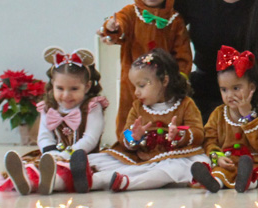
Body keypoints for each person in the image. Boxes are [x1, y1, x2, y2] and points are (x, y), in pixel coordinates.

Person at [87, 49, 206, 191]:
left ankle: (127, 183)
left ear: (164, 81)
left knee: (171, 170)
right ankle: (88, 180)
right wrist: (133, 137)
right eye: (134, 86)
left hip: (175, 158)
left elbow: (199, 133)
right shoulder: (138, 107)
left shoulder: (185, 104)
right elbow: (125, 135)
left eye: (142, 85)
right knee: (103, 160)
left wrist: (180, 135)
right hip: (141, 157)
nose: (136, 92)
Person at [98, 0, 192, 138]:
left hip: (163, 84)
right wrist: (112, 27)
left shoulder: (175, 21)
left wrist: (179, 80)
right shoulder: (130, 13)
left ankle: (160, 143)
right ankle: (128, 143)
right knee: (130, 114)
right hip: (132, 83)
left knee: (162, 117)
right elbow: (119, 24)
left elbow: (183, 54)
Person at [0, 48, 108, 195]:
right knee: (34, 164)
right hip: (53, 155)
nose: (66, 95)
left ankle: (48, 183)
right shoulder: (48, 107)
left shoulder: (92, 107)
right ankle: (25, 181)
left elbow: (90, 139)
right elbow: (44, 136)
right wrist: (52, 153)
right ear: (52, 85)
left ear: (87, 87)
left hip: (83, 156)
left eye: (74, 89)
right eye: (60, 88)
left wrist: (66, 155)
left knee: (72, 171)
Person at [192, 46, 258, 192]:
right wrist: (218, 157)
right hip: (228, 163)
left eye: (236, 88)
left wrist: (248, 117)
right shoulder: (218, 114)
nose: (229, 95)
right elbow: (209, 140)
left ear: (251, 88)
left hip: (256, 162)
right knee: (220, 172)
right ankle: (214, 183)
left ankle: (248, 182)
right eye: (224, 89)